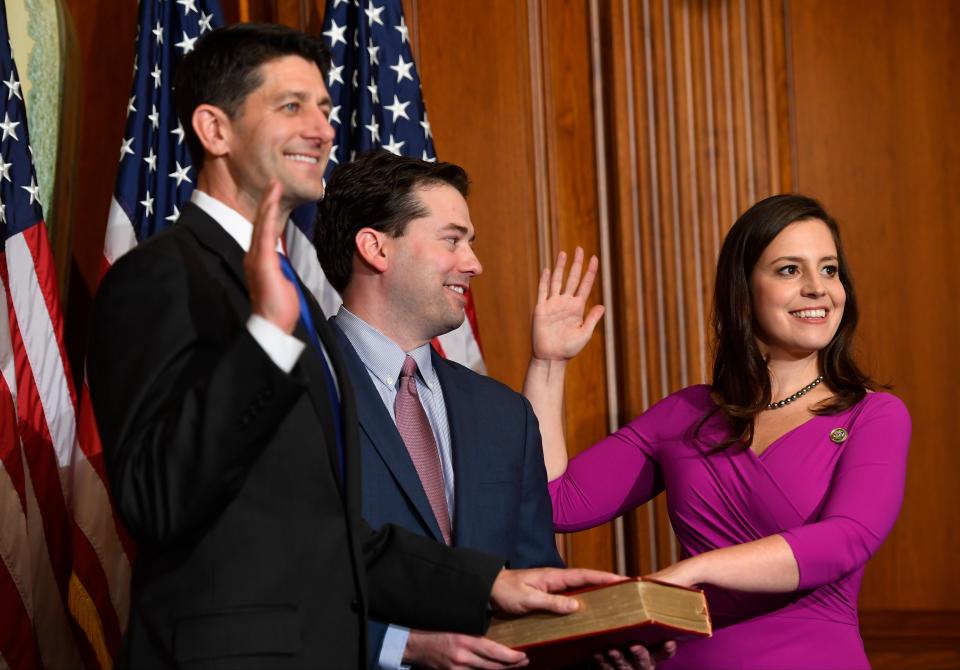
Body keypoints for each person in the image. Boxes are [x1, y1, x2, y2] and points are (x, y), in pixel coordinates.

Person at [87, 23, 617, 669]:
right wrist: (264, 340)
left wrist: (489, 584)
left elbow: (330, 537)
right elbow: (156, 499)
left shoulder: (299, 306)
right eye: (291, 106)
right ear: (214, 130)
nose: (321, 128)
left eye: (325, 109)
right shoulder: (164, 274)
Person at [523, 194, 911, 670]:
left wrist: (693, 572)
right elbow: (552, 501)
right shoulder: (687, 412)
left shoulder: (874, 415)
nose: (817, 288)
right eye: (790, 270)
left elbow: (844, 541)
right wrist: (549, 363)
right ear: (743, 290)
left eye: (829, 269)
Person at [315, 151, 563, 669]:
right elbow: (275, 569)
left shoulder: (504, 415)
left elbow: (535, 581)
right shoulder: (297, 389)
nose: (474, 263)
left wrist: (601, 640)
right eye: (453, 240)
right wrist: (398, 648)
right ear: (375, 247)